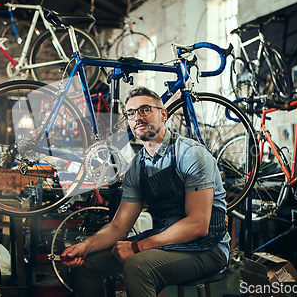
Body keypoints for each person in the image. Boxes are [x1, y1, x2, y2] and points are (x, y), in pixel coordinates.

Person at [60, 86, 230, 297]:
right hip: (166, 242)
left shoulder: (191, 154)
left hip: (207, 248)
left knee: (137, 265)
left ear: (163, 114)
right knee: (88, 265)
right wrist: (85, 246)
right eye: (131, 113)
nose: (137, 117)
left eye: (145, 110)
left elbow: (198, 225)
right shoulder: (137, 167)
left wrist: (139, 247)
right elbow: (119, 226)